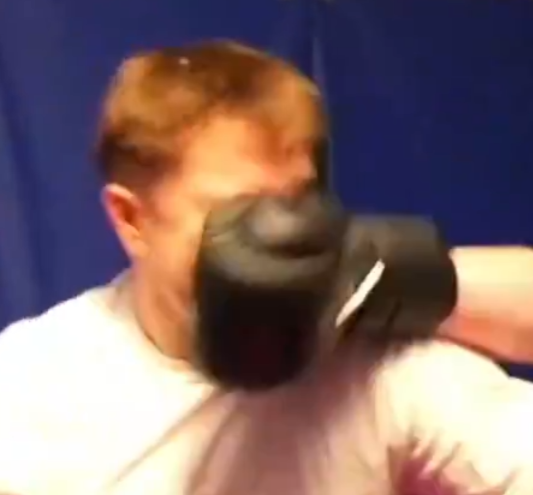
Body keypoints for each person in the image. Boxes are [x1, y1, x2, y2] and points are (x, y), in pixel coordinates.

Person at [0, 40, 532, 494]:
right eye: (243, 212)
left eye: (296, 204)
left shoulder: (359, 356)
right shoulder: (31, 387)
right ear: (132, 219)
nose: (281, 237)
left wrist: (384, 272)